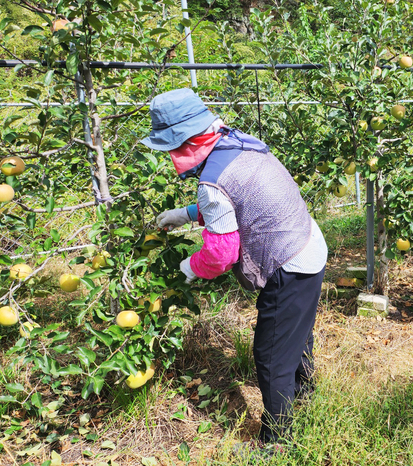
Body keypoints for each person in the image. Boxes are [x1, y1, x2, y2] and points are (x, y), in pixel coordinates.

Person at [141, 88, 328, 454]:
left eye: (171, 150)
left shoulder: (211, 183)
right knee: (296, 331)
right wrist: (186, 214)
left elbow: (221, 253)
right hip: (308, 242)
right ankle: (305, 396)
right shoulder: (242, 143)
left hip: (288, 262)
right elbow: (242, 197)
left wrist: (188, 268)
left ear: (186, 142)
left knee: (271, 356)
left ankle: (277, 445)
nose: (171, 158)